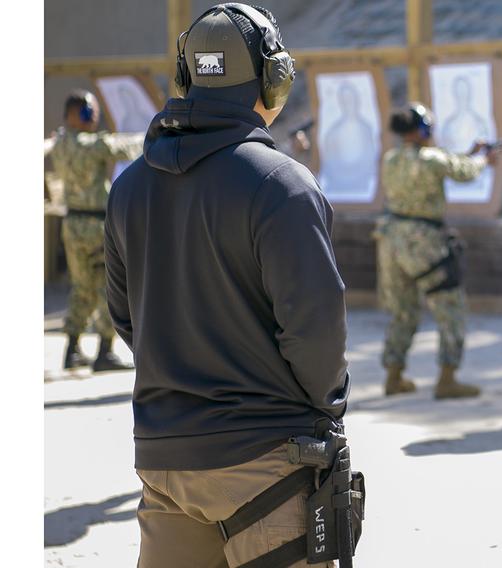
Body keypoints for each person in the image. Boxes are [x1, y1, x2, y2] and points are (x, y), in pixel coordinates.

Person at [104, 4, 355, 567]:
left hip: (166, 459)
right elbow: (316, 327)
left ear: (186, 80)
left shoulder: (130, 187)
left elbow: (127, 318)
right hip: (264, 461)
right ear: (272, 79)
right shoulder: (280, 184)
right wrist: (322, 407)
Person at [375, 103, 496, 399]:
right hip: (424, 242)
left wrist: (469, 154)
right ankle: (447, 378)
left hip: (392, 240)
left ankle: (393, 375)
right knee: (450, 307)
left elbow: (442, 165)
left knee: (403, 311)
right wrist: (482, 160)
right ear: (423, 130)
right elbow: (463, 173)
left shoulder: (391, 159)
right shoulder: (432, 158)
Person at [48, 89, 143, 372]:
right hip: (96, 225)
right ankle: (104, 350)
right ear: (77, 115)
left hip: (72, 224)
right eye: (90, 112)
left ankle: (72, 348)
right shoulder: (93, 145)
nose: (94, 117)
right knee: (108, 288)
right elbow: (129, 147)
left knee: (80, 287)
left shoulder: (60, 143)